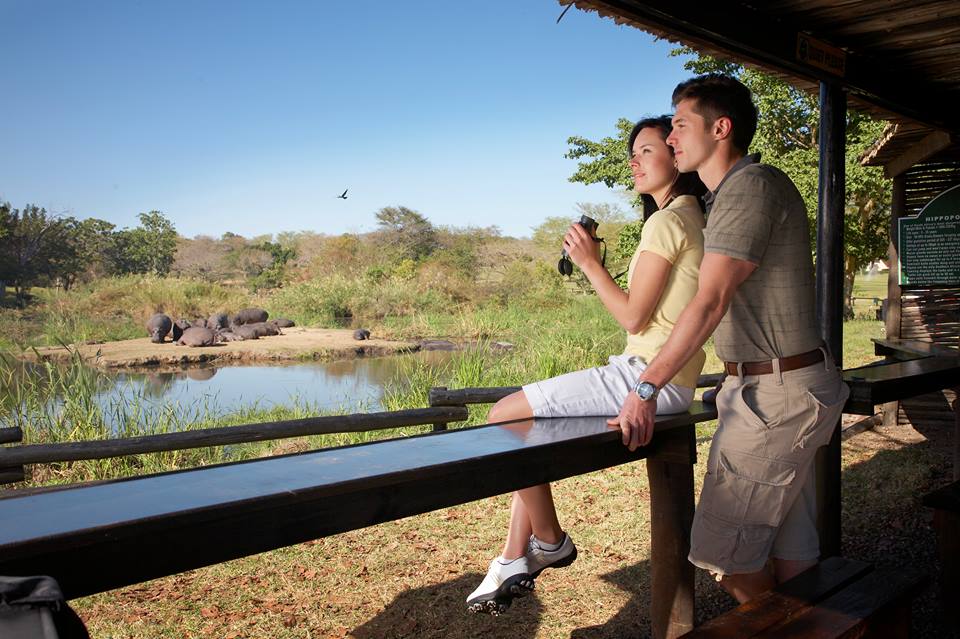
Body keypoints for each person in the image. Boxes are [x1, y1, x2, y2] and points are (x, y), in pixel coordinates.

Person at [608, 74, 850, 603]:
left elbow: (711, 300)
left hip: (776, 399)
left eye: (678, 125)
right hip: (780, 388)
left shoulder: (749, 187)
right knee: (792, 550)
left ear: (721, 128)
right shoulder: (732, 195)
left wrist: (645, 388)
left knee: (725, 556)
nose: (670, 138)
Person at [466, 115, 709, 615]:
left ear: (676, 155)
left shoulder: (667, 221)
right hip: (669, 377)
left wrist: (590, 264)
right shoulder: (691, 217)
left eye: (647, 151)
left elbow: (633, 315)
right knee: (524, 434)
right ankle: (513, 555)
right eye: (633, 153)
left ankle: (551, 541)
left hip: (645, 376)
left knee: (503, 415)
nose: (634, 161)